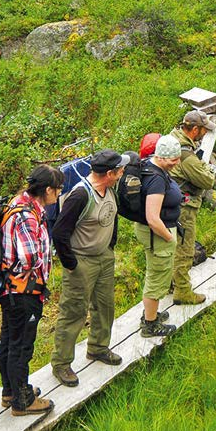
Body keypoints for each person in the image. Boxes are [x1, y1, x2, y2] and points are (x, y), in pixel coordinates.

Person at [50, 149, 129, 388]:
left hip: (104, 256)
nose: (122, 173)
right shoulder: (80, 195)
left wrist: (110, 247)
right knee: (74, 311)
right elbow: (59, 233)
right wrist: (72, 263)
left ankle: (97, 348)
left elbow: (113, 217)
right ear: (109, 173)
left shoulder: (110, 189)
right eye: (120, 170)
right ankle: (61, 363)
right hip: (81, 260)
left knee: (105, 306)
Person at [0, 164, 64, 416]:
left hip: (11, 290)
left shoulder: (18, 202)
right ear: (47, 189)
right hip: (24, 292)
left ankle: (10, 392)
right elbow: (28, 256)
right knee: (22, 346)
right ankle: (22, 402)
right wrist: (38, 263)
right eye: (57, 191)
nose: (58, 195)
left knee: (9, 339)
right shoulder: (27, 215)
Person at [168, 111, 216, 305]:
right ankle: (182, 291)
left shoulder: (173, 138)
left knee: (170, 247)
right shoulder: (186, 154)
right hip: (185, 206)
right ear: (195, 129)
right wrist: (209, 170)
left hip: (171, 203)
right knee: (185, 249)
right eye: (204, 131)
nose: (205, 135)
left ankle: (168, 284)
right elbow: (207, 180)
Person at [135, 135, 183, 337]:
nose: (176, 163)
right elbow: (153, 218)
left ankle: (150, 313)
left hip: (154, 233)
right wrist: (169, 238)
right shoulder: (155, 180)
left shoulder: (150, 166)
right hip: (158, 235)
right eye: (173, 159)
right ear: (161, 157)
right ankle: (150, 324)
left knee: (155, 273)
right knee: (157, 278)